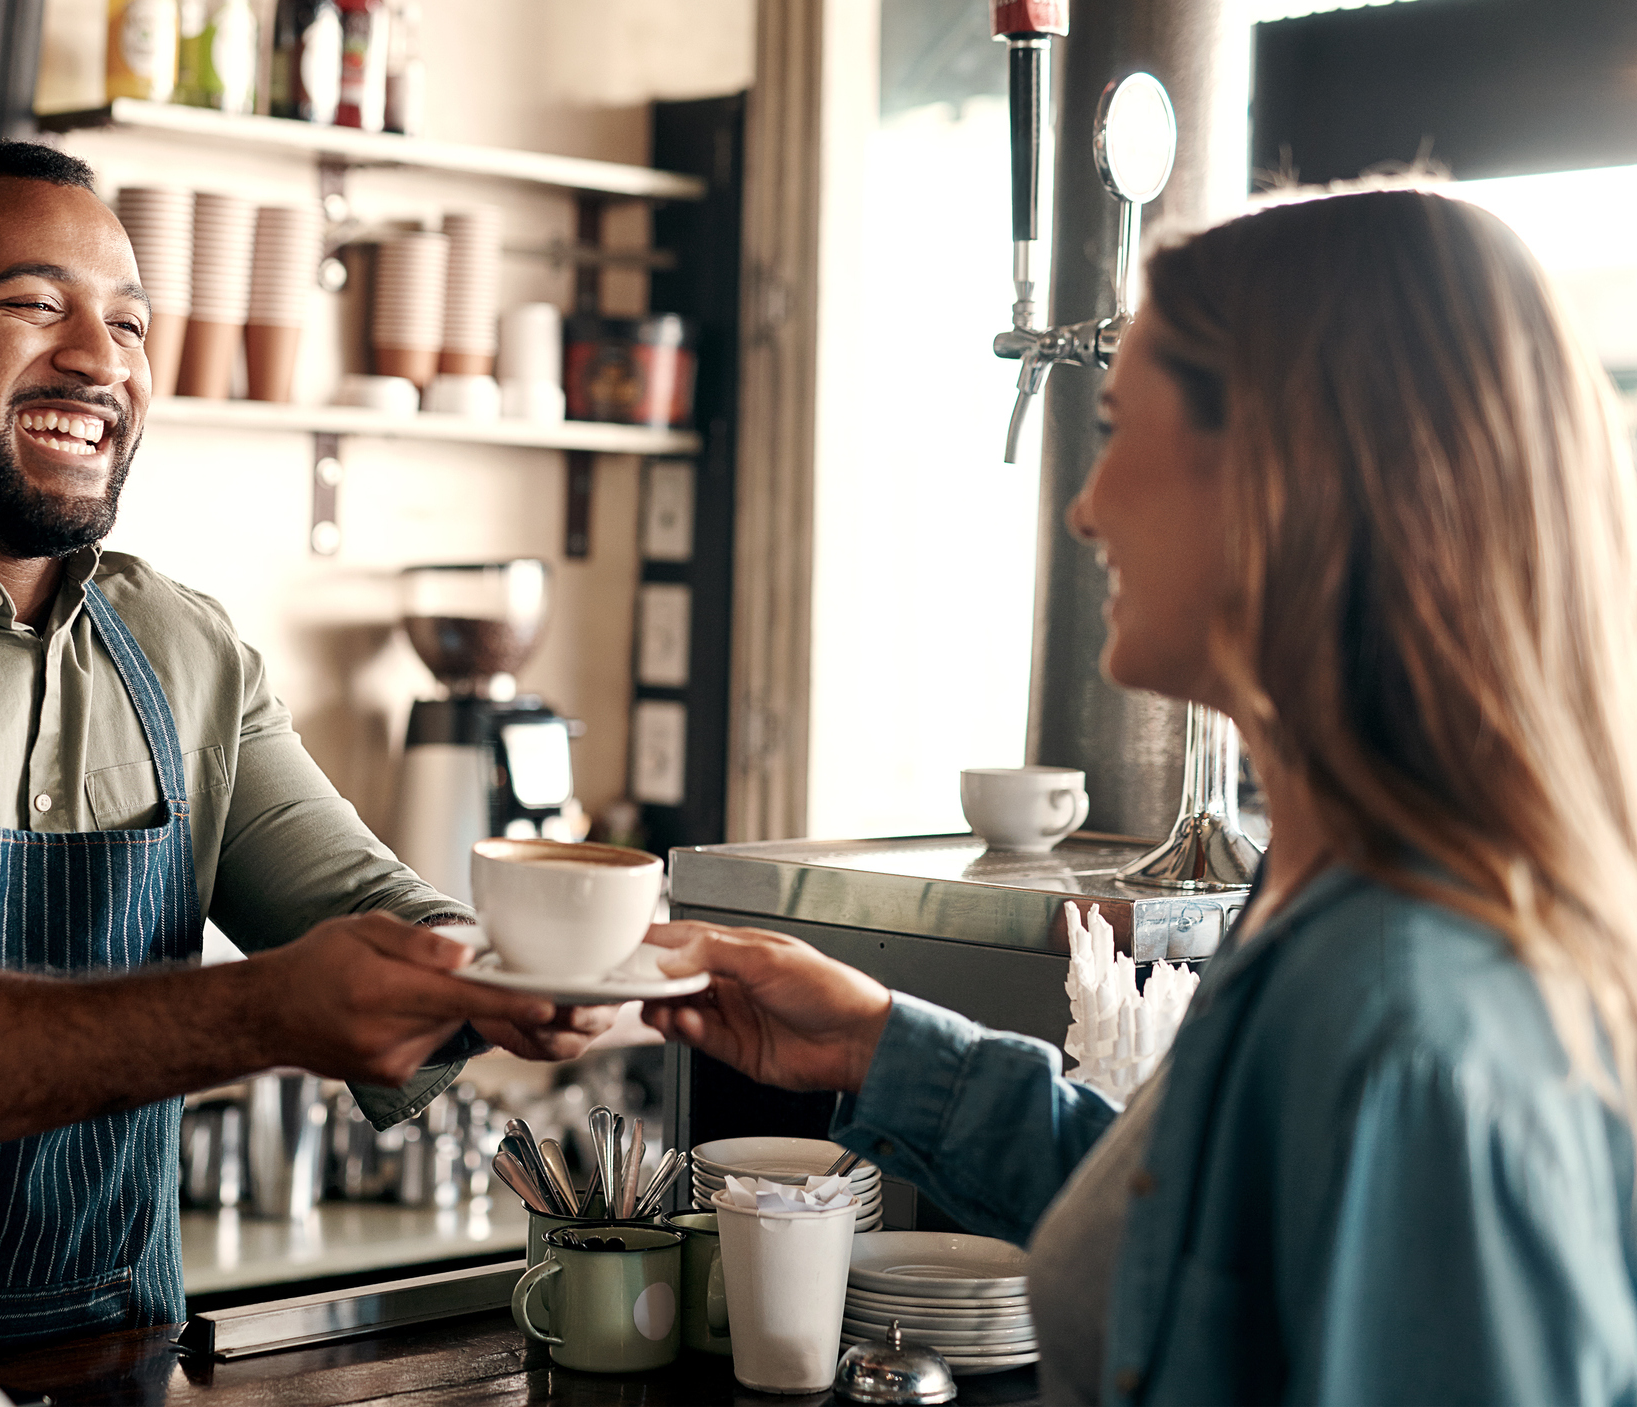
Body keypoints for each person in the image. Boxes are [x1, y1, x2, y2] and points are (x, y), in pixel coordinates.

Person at [0, 139, 619, 1345]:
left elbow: (358, 901)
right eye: (33, 305)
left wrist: (525, 976)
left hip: (112, 1365)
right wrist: (260, 1013)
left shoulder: (183, 652)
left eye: (129, 326)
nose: (97, 360)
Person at [644, 188, 1637, 1405]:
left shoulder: (1404, 1032)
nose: (1086, 504)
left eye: (1117, 428)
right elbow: (1189, 1251)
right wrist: (877, 1047)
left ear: (1286, 476)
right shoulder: (1312, 900)